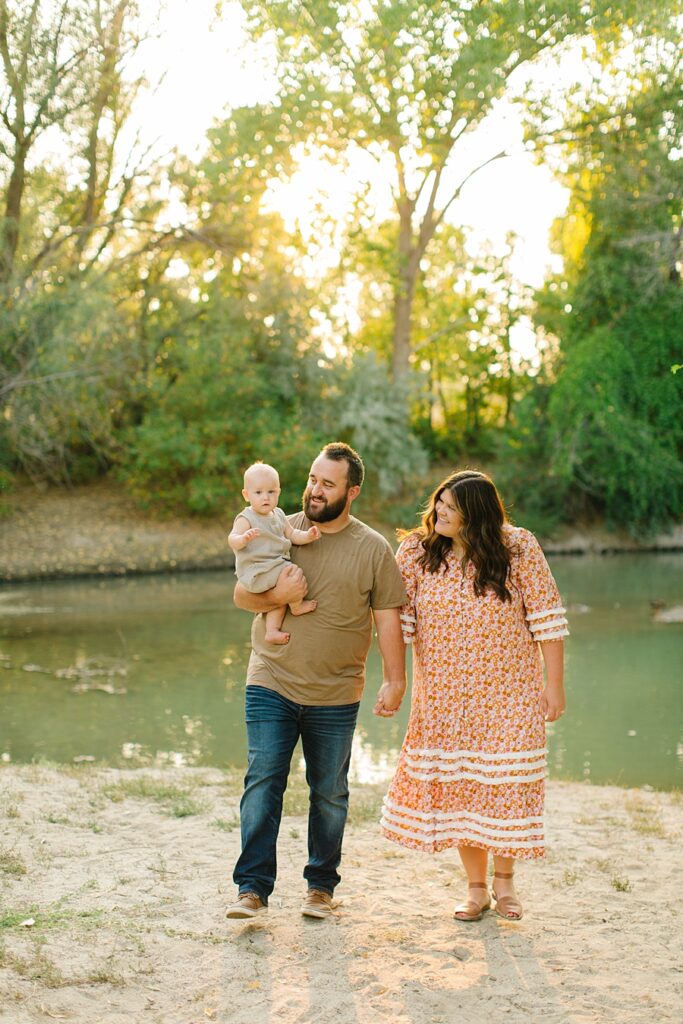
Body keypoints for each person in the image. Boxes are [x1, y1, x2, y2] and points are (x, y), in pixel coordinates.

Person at [225, 442, 407, 920]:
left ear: (352, 491)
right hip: (271, 678)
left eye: (327, 483)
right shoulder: (280, 528)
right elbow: (242, 593)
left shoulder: (372, 548)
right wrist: (277, 594)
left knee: (329, 792)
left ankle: (320, 888)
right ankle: (252, 890)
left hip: (335, 692)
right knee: (263, 781)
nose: (314, 490)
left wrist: (394, 680)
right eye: (311, 479)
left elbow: (387, 618)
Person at [378, 470, 568, 922]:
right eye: (439, 503)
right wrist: (395, 681)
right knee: (462, 794)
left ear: (476, 514)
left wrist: (553, 685)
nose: (439, 512)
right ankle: (476, 889)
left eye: (451, 507)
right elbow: (398, 623)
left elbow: (548, 618)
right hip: (444, 700)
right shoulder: (417, 553)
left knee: (505, 790)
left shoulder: (517, 548)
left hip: (510, 697)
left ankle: (505, 885)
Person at [228, 462, 321, 644]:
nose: (266, 497)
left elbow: (292, 534)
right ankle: (296, 606)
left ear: (278, 492)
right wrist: (243, 539)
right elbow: (232, 538)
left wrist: (308, 536)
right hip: (257, 570)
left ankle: (272, 631)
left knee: (279, 595)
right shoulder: (247, 518)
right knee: (293, 574)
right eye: (258, 493)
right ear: (246, 495)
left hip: (272, 568)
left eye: (271, 492)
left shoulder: (278, 514)